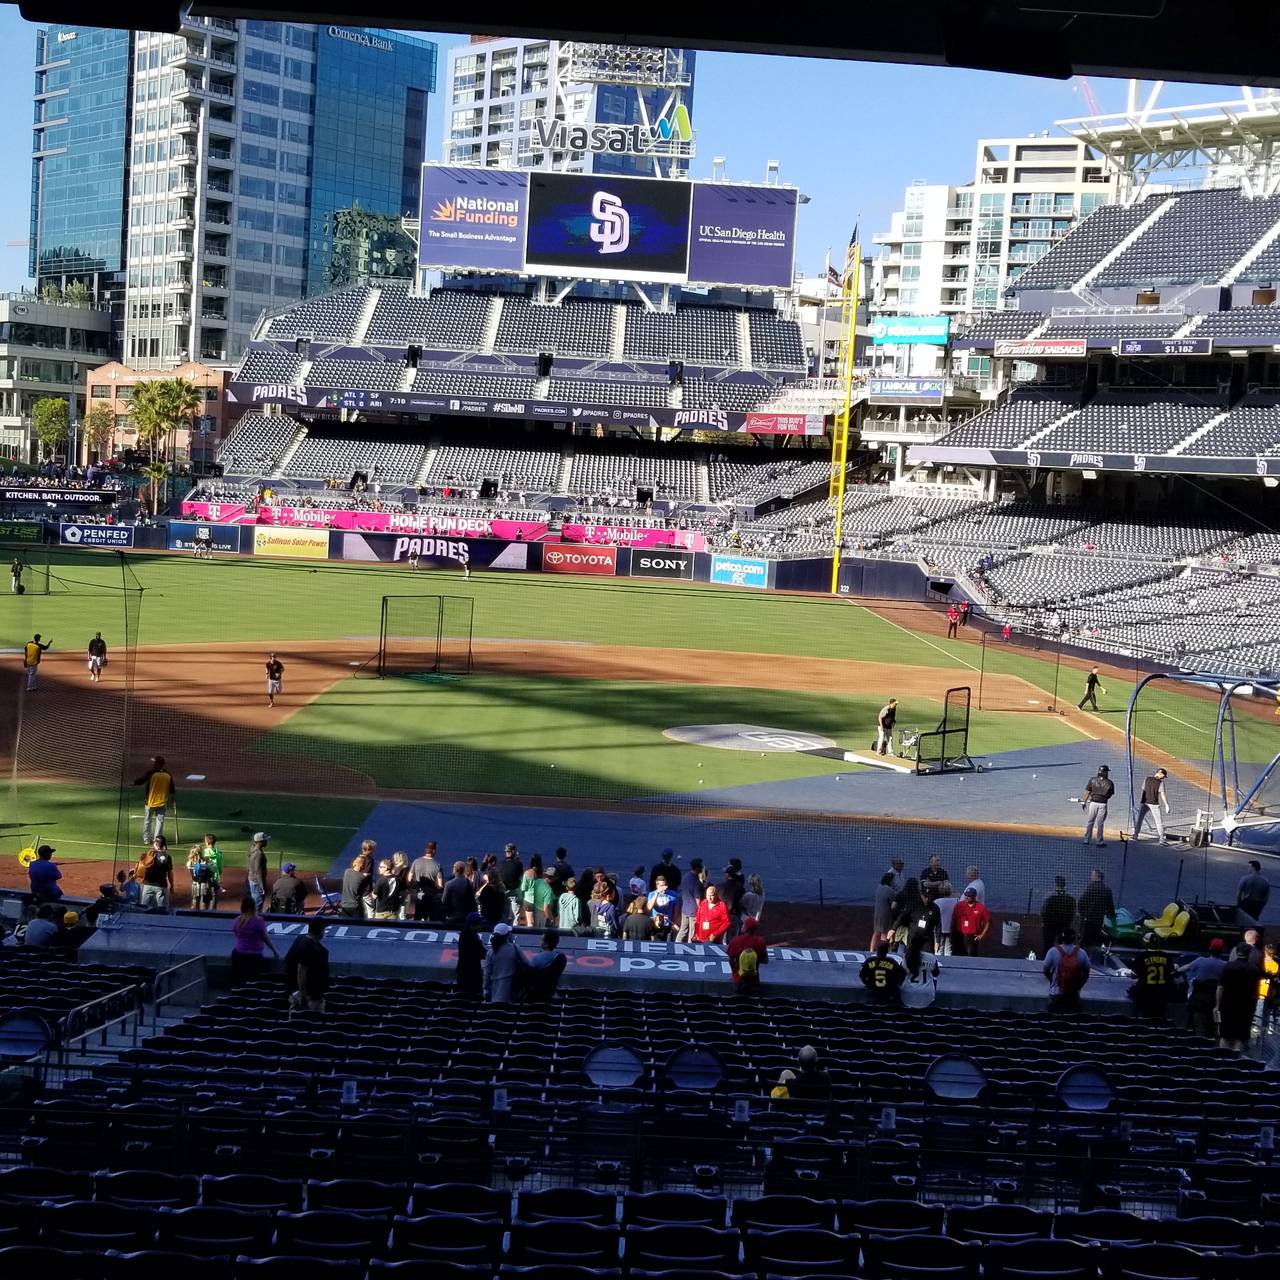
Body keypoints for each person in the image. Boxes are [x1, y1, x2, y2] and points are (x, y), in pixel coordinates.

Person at [1179, 938, 1228, 1038]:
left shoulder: (1200, 960)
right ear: (1222, 950)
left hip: (1199, 1001)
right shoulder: (1225, 965)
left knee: (1197, 1026)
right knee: (1213, 1029)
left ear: (1210, 949)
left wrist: (1176, 970)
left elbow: (1185, 968)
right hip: (1216, 1002)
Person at [1217, 943, 1261, 1051]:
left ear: (1236, 952)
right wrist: (1254, 1006)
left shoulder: (1228, 966)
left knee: (1225, 1035)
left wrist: (1217, 1005)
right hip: (1246, 1006)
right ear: (1249, 953)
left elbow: (1220, 988)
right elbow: (1256, 991)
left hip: (1227, 1005)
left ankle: (1223, 1060)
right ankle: (1236, 1062)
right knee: (1240, 1037)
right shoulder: (1254, 969)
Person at [229, 897, 279, 988]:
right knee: (255, 983)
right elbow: (265, 938)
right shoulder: (259, 921)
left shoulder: (237, 921)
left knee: (239, 981)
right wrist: (275, 951)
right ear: (253, 907)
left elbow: (236, 934)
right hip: (254, 957)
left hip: (238, 955)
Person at [284, 918, 330, 1013]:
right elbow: (301, 972)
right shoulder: (308, 947)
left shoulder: (301, 939)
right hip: (310, 996)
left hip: (302, 993)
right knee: (311, 1022)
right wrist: (303, 996)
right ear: (320, 930)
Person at [1042, 927, 1091, 1013]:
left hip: (1056, 994)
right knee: (1072, 1022)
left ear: (1061, 938)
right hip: (1073, 995)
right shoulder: (1082, 953)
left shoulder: (1052, 951)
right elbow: (1086, 973)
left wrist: (1052, 980)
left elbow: (1045, 970)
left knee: (1053, 1022)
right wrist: (1079, 986)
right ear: (1074, 939)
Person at [1129, 933, 1174, 1019]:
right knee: (1159, 1020)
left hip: (1144, 994)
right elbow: (1171, 976)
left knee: (1144, 1020)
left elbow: (1133, 976)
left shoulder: (1141, 957)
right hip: (1162, 994)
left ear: (1146, 943)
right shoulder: (1167, 957)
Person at [133, 755, 175, 845]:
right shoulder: (168, 775)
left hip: (150, 802)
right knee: (160, 821)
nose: (153, 764)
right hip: (162, 802)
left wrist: (134, 783)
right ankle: (157, 840)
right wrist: (174, 800)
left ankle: (146, 839)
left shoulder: (151, 773)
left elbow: (141, 780)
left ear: (158, 764)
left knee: (148, 820)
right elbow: (172, 789)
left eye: (155, 762)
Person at [483, 922, 527, 1003]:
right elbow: (527, 964)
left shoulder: (491, 952)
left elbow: (487, 975)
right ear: (507, 935)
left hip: (495, 992)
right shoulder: (515, 948)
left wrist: (486, 990)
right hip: (512, 992)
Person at [727, 917, 768, 994]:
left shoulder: (735, 940)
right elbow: (765, 960)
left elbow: (730, 959)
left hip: (738, 979)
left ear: (746, 928)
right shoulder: (761, 941)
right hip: (754, 979)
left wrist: (734, 972)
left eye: (744, 925)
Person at [1077, 868, 1115, 951]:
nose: (1091, 877)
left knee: (1085, 940)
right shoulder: (1107, 889)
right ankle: (1094, 960)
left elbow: (1081, 902)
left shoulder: (1090, 887)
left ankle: (1082, 958)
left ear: (1096, 876)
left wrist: (1083, 914)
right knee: (1096, 941)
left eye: (1092, 875)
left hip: (1089, 919)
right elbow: (1110, 906)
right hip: (1099, 920)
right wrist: (1113, 916)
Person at [1040, 876, 1077, 957]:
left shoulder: (1050, 897)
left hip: (1049, 925)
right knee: (1062, 946)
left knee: (1048, 945)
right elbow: (1073, 912)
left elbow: (1043, 910)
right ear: (1064, 885)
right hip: (1064, 925)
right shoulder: (1070, 898)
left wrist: (1043, 922)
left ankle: (1046, 962)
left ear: (1055, 884)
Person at [1132, 767, 1172, 843]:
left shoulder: (1147, 779)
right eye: (1163, 776)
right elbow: (1163, 795)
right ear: (1160, 774)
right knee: (1158, 822)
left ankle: (1135, 836)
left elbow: (1143, 789)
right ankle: (1161, 840)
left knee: (1139, 819)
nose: (1163, 778)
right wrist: (1166, 805)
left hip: (1144, 802)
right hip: (1154, 804)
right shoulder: (1160, 783)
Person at [861, 941, 907, 1005]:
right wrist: (896, 985)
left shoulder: (869, 961)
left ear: (876, 950)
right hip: (888, 994)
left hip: (872, 993)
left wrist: (868, 984)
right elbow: (903, 974)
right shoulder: (892, 962)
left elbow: (862, 975)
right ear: (887, 951)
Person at [526, 929, 567, 1002]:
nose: (540, 942)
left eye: (541, 940)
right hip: (552, 995)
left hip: (536, 997)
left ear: (546, 944)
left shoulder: (535, 959)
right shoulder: (562, 958)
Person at [1081, 763, 1114, 847]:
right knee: (1100, 823)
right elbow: (1110, 794)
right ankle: (1099, 841)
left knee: (1090, 822)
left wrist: (1084, 801)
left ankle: (1086, 839)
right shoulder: (1110, 783)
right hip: (1103, 804)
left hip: (1093, 804)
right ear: (1106, 772)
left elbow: (1087, 791)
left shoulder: (1092, 780)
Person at [138, 836, 174, 911]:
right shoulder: (167, 857)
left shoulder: (148, 855)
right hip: (161, 886)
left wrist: (142, 879)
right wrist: (172, 886)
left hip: (147, 885)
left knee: (143, 910)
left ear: (155, 844)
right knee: (163, 911)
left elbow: (140, 869)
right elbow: (170, 873)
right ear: (164, 845)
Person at [952, 886, 990, 956]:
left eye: (969, 896)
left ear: (974, 897)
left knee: (971, 955)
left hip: (972, 937)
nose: (966, 897)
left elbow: (988, 921)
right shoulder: (959, 905)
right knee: (958, 954)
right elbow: (954, 919)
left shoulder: (981, 908)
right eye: (965, 895)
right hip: (959, 935)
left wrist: (982, 935)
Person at [675, 858, 706, 943]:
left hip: (685, 909)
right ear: (697, 868)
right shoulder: (696, 882)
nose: (702, 868)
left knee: (683, 930)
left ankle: (676, 945)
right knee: (692, 933)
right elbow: (698, 899)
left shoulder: (686, 876)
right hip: (694, 912)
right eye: (701, 867)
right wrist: (702, 911)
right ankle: (690, 949)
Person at [456, 913, 485, 997]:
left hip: (466, 973)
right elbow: (482, 953)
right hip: (470, 975)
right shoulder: (470, 937)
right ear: (472, 925)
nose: (481, 926)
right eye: (479, 924)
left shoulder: (468, 934)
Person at [442, 860, 478, 927]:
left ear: (455, 869)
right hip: (465, 917)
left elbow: (444, 901)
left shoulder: (448, 884)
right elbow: (472, 901)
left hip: (452, 918)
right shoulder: (469, 883)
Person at [869, 871, 897, 951]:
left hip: (877, 914)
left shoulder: (879, 888)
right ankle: (882, 951)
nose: (894, 882)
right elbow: (893, 905)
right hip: (886, 915)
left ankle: (871, 950)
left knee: (876, 932)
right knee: (884, 934)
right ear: (890, 881)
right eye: (893, 880)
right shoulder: (890, 891)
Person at [1237, 859, 1270, 923]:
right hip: (1258, 904)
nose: (1248, 869)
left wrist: (1238, 903)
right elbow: (1266, 897)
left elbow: (1239, 893)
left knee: (1243, 920)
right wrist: (1262, 905)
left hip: (1246, 902)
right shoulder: (1265, 881)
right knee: (1254, 921)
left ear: (1253, 868)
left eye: (1249, 867)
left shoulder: (1245, 878)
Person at [497, 843, 524, 924]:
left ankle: (503, 930)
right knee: (516, 915)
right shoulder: (518, 863)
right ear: (514, 852)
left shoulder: (500, 863)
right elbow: (521, 876)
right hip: (514, 892)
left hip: (503, 891)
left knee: (504, 915)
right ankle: (516, 932)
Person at [340, 852, 372, 919]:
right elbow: (365, 892)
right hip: (355, 907)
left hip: (344, 905)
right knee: (358, 926)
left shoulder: (347, 871)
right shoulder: (362, 878)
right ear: (363, 866)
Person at [931, 881, 959, 956]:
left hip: (939, 929)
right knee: (949, 950)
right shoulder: (956, 901)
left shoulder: (936, 902)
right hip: (951, 929)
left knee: (938, 949)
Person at [646, 874, 678, 940]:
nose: (664, 887)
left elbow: (676, 910)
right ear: (657, 885)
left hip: (668, 923)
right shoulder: (651, 894)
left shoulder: (673, 894)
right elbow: (649, 908)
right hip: (656, 924)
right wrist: (657, 893)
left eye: (665, 884)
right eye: (661, 885)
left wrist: (674, 922)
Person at [246, 832, 270, 913]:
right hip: (256, 882)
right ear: (261, 841)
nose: (267, 842)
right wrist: (262, 886)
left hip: (251, 879)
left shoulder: (252, 849)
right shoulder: (259, 854)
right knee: (257, 906)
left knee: (252, 904)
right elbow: (258, 872)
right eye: (265, 840)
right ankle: (253, 923)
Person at [187, 844, 215, 911]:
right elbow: (212, 872)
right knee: (204, 903)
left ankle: (193, 918)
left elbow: (191, 873)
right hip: (205, 884)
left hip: (195, 884)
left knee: (195, 902)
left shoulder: (190, 863)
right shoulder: (206, 861)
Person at [202, 833, 224, 903]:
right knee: (214, 898)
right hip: (215, 878)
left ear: (207, 842)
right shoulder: (219, 854)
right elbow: (220, 868)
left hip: (205, 879)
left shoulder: (204, 853)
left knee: (204, 899)